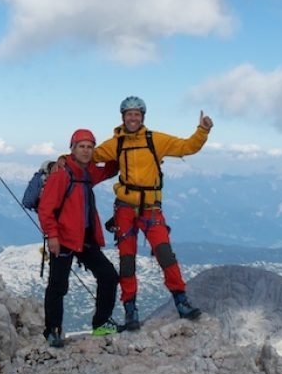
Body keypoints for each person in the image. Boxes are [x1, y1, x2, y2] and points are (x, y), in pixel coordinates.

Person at [93, 96, 214, 330]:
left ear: (142, 117)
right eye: (129, 114)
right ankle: (131, 311)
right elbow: (88, 155)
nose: (133, 118)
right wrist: (60, 162)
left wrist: (202, 130)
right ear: (123, 117)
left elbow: (187, 146)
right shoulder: (115, 143)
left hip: (150, 208)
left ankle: (181, 301)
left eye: (137, 114)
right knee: (127, 261)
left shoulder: (155, 140)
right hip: (126, 208)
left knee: (165, 255)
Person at [38, 129, 120, 346]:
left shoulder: (88, 172)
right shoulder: (61, 174)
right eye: (81, 146)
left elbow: (112, 168)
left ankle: (101, 323)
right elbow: (46, 209)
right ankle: (53, 330)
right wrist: (52, 236)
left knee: (108, 275)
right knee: (58, 284)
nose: (86, 150)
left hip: (85, 237)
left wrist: (120, 143)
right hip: (63, 238)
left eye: (90, 146)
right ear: (72, 149)